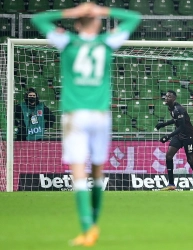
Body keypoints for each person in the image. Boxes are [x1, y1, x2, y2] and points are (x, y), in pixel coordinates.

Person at [31, 3, 140, 247]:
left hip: (75, 116)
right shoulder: (106, 42)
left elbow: (38, 19)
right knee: (98, 171)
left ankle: (87, 228)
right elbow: (133, 18)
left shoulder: (67, 41)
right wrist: (102, 10)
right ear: (98, 22)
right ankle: (95, 224)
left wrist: (72, 12)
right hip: (101, 115)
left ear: (77, 24)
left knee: (78, 173)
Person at [155, 90, 193, 191]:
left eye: (169, 96)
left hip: (189, 136)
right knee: (169, 155)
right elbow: (176, 120)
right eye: (166, 96)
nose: (166, 98)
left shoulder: (179, 109)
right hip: (179, 135)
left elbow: (182, 126)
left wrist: (168, 136)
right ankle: (171, 184)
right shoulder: (171, 108)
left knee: (190, 160)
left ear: (174, 99)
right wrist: (163, 124)